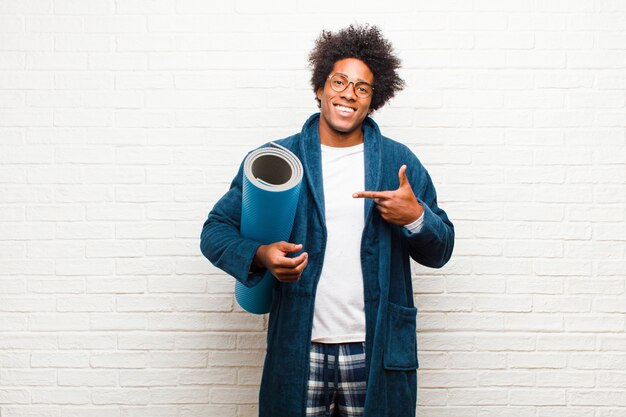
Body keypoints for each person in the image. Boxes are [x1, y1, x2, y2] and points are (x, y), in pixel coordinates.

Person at [200, 24, 454, 417]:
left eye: (362, 88)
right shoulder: (278, 159)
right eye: (339, 81)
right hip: (300, 346)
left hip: (374, 348)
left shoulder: (396, 162)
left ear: (373, 100)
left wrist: (416, 216)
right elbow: (214, 231)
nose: (349, 93)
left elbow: (442, 250)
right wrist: (262, 254)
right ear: (320, 87)